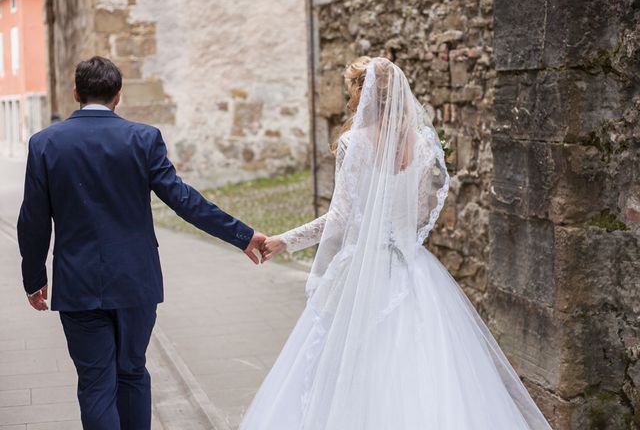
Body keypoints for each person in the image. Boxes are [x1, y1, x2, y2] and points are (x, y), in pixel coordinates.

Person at [241, 57, 553, 429]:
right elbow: (420, 213)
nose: (350, 101)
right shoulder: (422, 143)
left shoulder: (353, 143)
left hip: (362, 272)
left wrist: (284, 240)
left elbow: (340, 219)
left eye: (351, 92)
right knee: (425, 369)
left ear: (364, 94)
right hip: (412, 268)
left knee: (347, 368)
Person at [17, 56, 266, 430]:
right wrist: (242, 236)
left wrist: (34, 277)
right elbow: (184, 201)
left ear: (75, 94)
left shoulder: (45, 144)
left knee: (96, 383)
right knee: (132, 371)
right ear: (119, 95)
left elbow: (33, 219)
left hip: (78, 282)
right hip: (136, 281)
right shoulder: (143, 138)